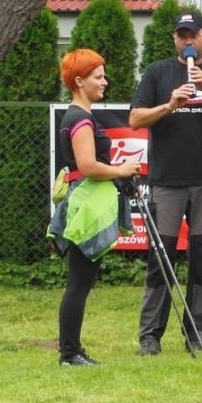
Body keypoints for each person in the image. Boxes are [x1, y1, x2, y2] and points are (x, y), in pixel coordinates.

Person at [130, 11, 202, 355]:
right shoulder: (158, 73)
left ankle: (196, 332)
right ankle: (150, 335)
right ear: (175, 39)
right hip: (166, 181)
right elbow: (135, 119)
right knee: (160, 259)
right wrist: (169, 104)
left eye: (193, 35)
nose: (187, 41)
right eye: (182, 35)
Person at [49, 49, 142, 366]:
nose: (105, 81)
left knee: (80, 281)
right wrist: (122, 170)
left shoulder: (78, 117)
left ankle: (71, 350)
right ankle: (69, 353)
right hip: (86, 205)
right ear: (79, 81)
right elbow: (88, 166)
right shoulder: (80, 118)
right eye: (98, 76)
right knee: (79, 282)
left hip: (84, 201)